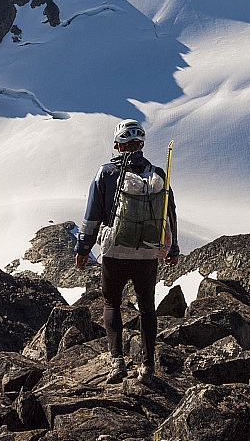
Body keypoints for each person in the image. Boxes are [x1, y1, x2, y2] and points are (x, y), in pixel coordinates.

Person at [74, 119, 179, 385]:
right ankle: (148, 366)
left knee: (112, 303)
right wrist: (172, 247)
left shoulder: (106, 173)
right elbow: (170, 212)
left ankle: (117, 362)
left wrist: (83, 248)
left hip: (115, 251)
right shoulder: (157, 173)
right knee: (147, 307)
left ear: (117, 145)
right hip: (147, 253)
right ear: (141, 143)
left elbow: (92, 214)